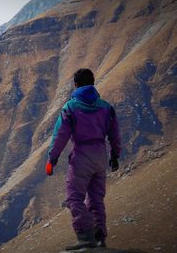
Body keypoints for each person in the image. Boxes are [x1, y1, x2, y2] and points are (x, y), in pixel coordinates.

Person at [45, 68, 121, 250]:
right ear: (93, 83)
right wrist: (115, 156)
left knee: (74, 198)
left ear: (76, 84)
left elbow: (60, 136)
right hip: (101, 155)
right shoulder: (106, 107)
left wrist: (51, 159)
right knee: (96, 199)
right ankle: (100, 238)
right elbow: (115, 134)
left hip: (81, 155)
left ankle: (85, 237)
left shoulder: (70, 107)